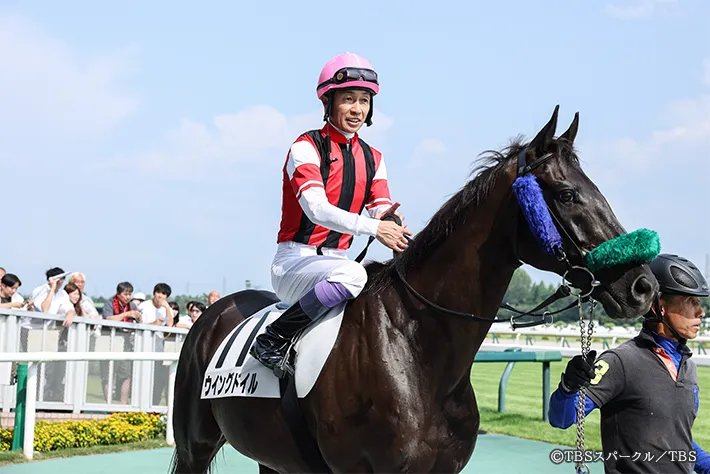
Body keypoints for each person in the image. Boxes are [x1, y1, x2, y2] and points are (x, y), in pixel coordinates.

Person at [250, 52, 410, 377]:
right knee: (355, 275)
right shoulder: (305, 147)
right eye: (348, 99)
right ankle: (274, 337)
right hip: (294, 263)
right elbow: (316, 209)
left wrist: (393, 224)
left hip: (336, 264)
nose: (357, 109)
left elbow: (380, 206)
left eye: (364, 100)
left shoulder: (374, 158)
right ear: (328, 101)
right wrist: (375, 227)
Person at [549, 253, 710, 474]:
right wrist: (569, 387)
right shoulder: (621, 362)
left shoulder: (688, 367)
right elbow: (561, 418)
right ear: (659, 306)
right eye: (690, 301)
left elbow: (677, 440)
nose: (701, 311)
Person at [101, 281, 140, 404]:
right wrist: (127, 314)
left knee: (126, 374)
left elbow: (140, 321)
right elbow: (108, 319)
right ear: (118, 294)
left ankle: (123, 405)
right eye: (125, 294)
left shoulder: (132, 305)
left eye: (130, 294)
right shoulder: (109, 303)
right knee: (107, 375)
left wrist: (138, 316)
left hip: (126, 343)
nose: (128, 297)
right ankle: (108, 405)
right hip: (109, 343)